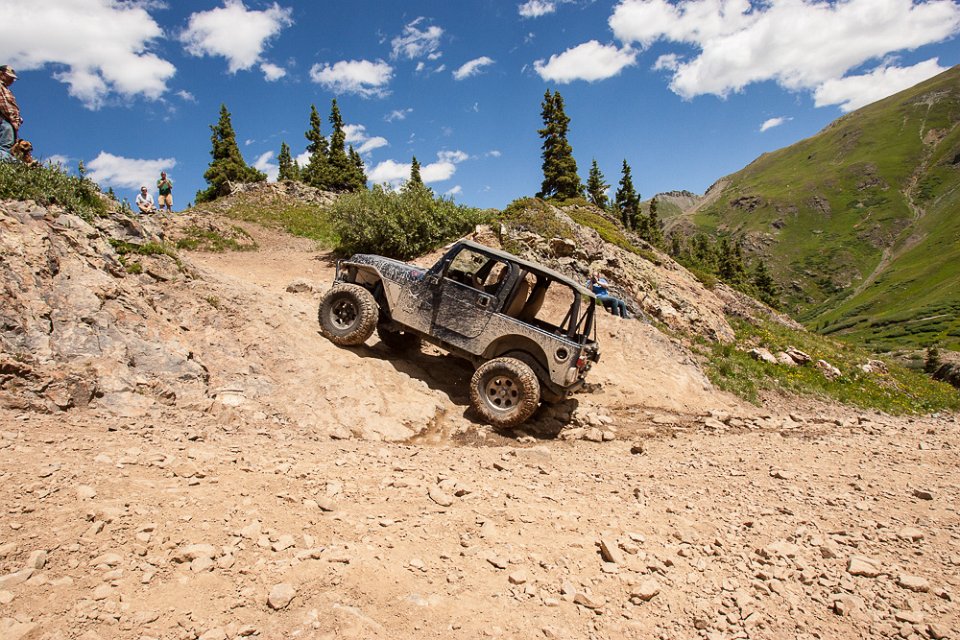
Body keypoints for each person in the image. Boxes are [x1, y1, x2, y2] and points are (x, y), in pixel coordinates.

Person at [0, 65, 22, 162]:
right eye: (9, 77)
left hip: (7, 120)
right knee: (6, 147)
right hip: (4, 121)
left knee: (9, 147)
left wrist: (17, 120)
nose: (12, 80)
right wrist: (13, 120)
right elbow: (3, 104)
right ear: (1, 74)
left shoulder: (5, 88)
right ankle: (12, 164)